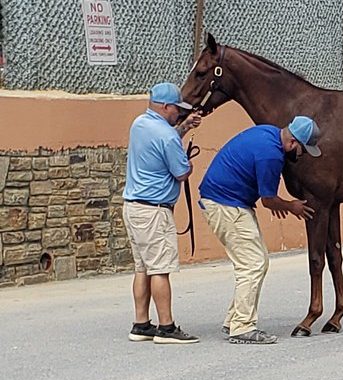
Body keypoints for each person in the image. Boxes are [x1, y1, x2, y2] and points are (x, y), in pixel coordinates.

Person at [198, 116, 321, 344]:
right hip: (227, 206)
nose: (301, 156)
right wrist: (291, 206)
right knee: (252, 264)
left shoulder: (268, 132)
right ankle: (242, 326)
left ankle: (234, 318)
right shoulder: (272, 155)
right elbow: (268, 200)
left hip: (225, 201)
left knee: (257, 261)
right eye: (302, 150)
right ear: (293, 143)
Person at [123, 82, 202, 344]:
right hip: (154, 211)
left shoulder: (140, 124)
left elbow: (163, 138)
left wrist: (184, 127)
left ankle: (141, 323)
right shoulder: (167, 136)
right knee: (160, 268)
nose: (178, 113)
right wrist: (187, 163)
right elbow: (181, 172)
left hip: (133, 206)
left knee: (142, 267)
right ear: (165, 106)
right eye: (177, 109)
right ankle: (166, 327)